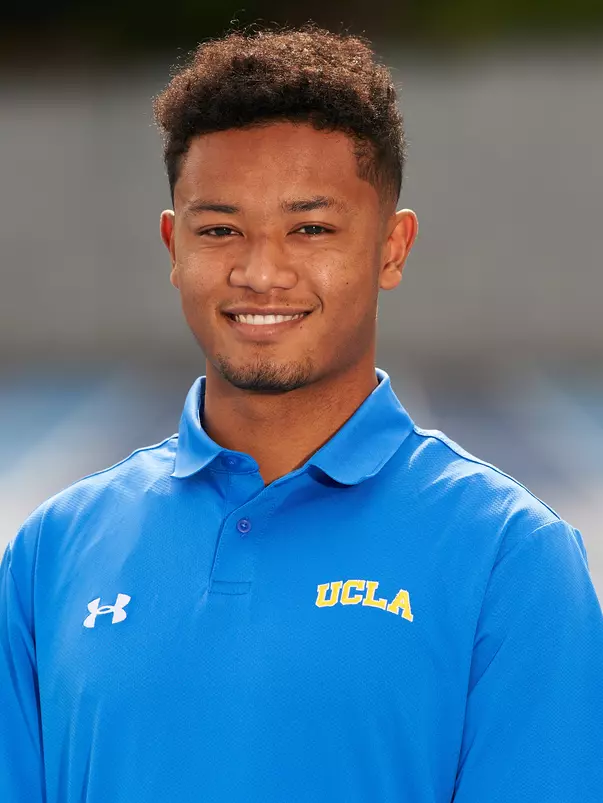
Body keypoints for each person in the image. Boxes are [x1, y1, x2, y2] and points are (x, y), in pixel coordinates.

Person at [1, 24, 602, 803]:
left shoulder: (510, 559)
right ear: (172, 246)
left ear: (392, 247)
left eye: (309, 228)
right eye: (219, 230)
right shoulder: (52, 550)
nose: (259, 271)